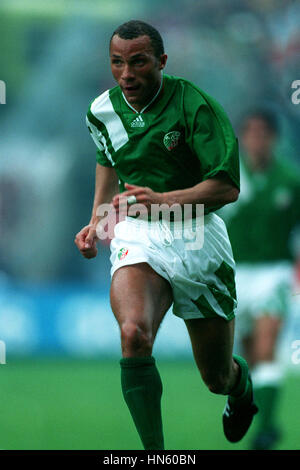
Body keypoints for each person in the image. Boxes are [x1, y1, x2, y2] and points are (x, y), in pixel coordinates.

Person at [74, 20, 258, 450]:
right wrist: (98, 219)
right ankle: (155, 456)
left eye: (138, 62)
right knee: (133, 334)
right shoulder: (100, 110)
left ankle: (239, 387)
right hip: (138, 232)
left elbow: (227, 187)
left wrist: (164, 199)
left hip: (196, 231)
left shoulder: (195, 106)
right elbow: (107, 157)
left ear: (162, 61)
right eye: (117, 63)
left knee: (216, 378)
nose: (127, 74)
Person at [220, 109, 300, 449]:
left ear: (273, 138)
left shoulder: (290, 181)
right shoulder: (225, 178)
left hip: (274, 273)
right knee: (246, 358)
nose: (256, 139)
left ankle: (265, 430)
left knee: (267, 349)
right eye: (249, 133)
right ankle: (250, 409)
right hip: (235, 276)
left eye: (262, 133)